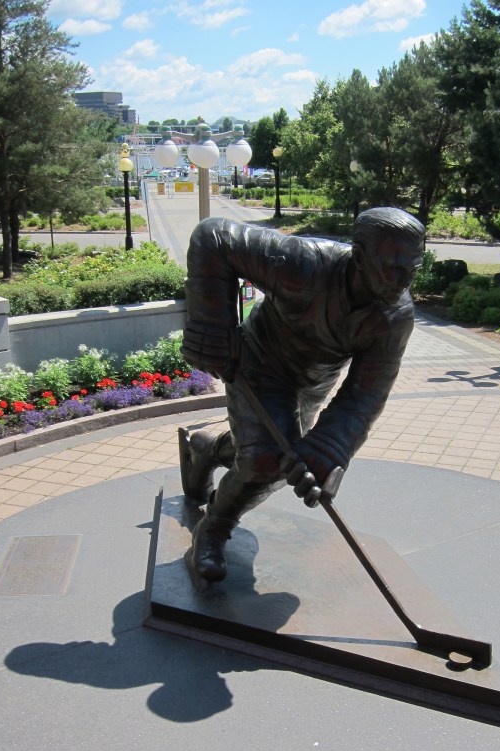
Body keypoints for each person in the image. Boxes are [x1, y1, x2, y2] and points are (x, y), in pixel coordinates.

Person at [179, 207, 426, 586]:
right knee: (266, 463)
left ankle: (208, 448)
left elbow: (366, 394)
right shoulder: (303, 264)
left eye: (411, 268)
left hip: (313, 382)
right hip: (261, 361)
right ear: (360, 257)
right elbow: (214, 237)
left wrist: (329, 449)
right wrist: (213, 323)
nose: (402, 280)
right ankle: (213, 528)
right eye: (391, 267)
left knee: (284, 460)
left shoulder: (394, 317)